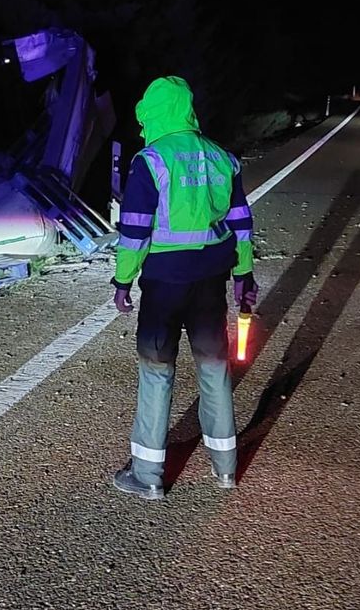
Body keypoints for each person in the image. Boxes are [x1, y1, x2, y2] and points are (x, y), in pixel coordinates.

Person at [110, 76, 258, 500]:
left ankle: (148, 476)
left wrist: (123, 280)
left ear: (154, 114)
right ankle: (225, 468)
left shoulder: (151, 160)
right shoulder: (221, 158)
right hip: (211, 280)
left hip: (164, 283)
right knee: (214, 368)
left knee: (157, 373)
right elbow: (242, 223)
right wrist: (244, 276)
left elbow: (135, 231)